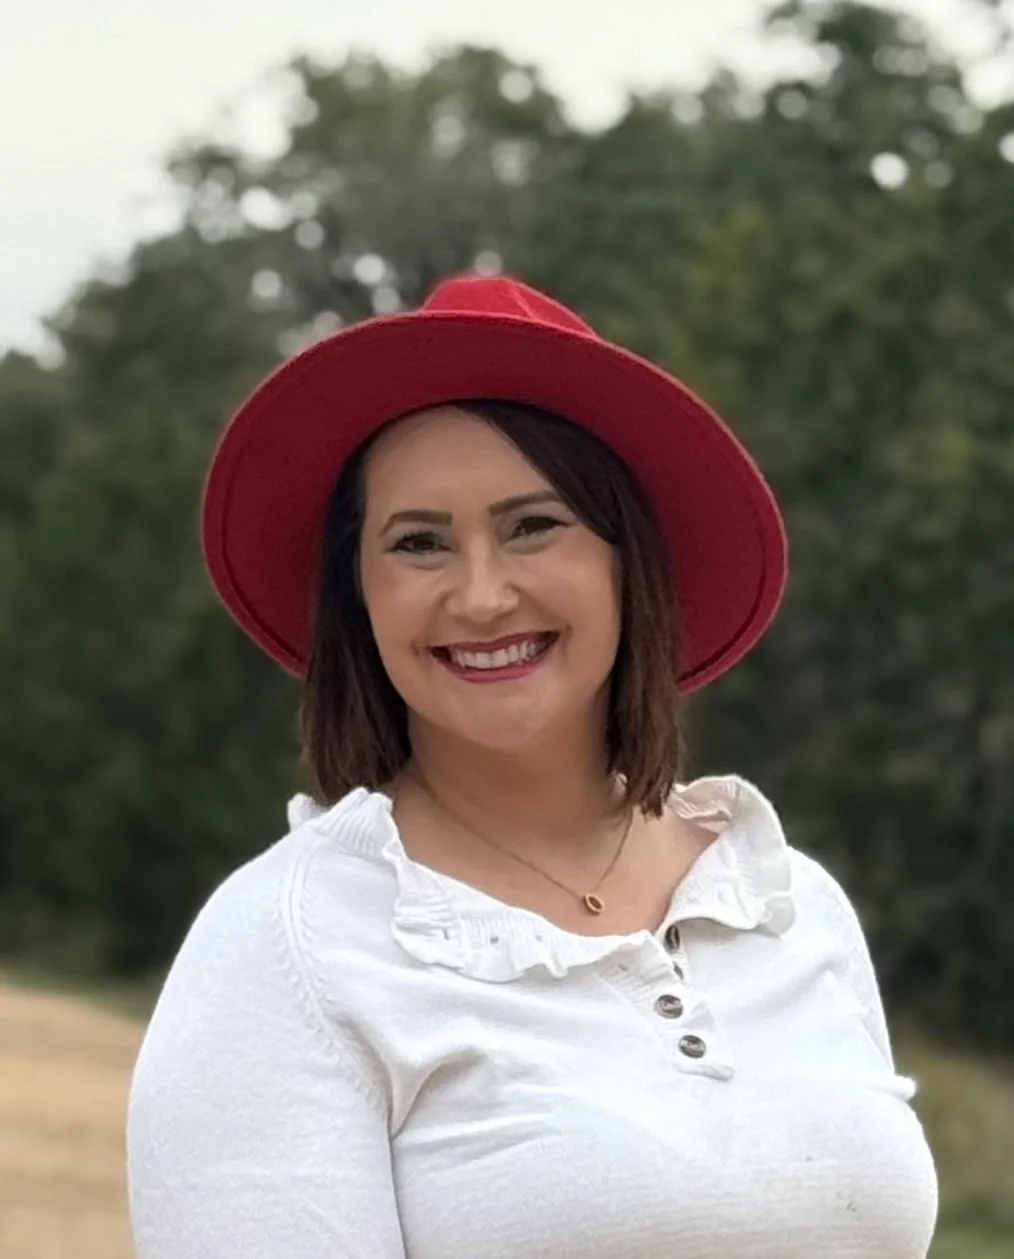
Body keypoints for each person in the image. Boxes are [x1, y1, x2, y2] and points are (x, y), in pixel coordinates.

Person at [126, 274, 938, 1258]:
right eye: (419, 542)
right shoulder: (289, 943)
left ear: (627, 561)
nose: (480, 596)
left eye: (532, 525)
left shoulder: (789, 902)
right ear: (359, 596)